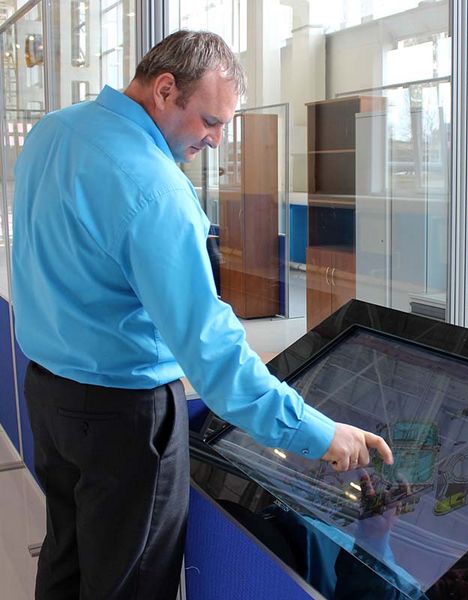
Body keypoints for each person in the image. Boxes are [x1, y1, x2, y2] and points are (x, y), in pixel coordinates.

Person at [11, 30, 393, 600]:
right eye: (210, 121)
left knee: (67, 557)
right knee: (130, 585)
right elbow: (213, 355)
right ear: (165, 89)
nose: (216, 140)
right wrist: (318, 433)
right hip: (123, 418)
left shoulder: (54, 131)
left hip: (48, 392)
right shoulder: (155, 190)